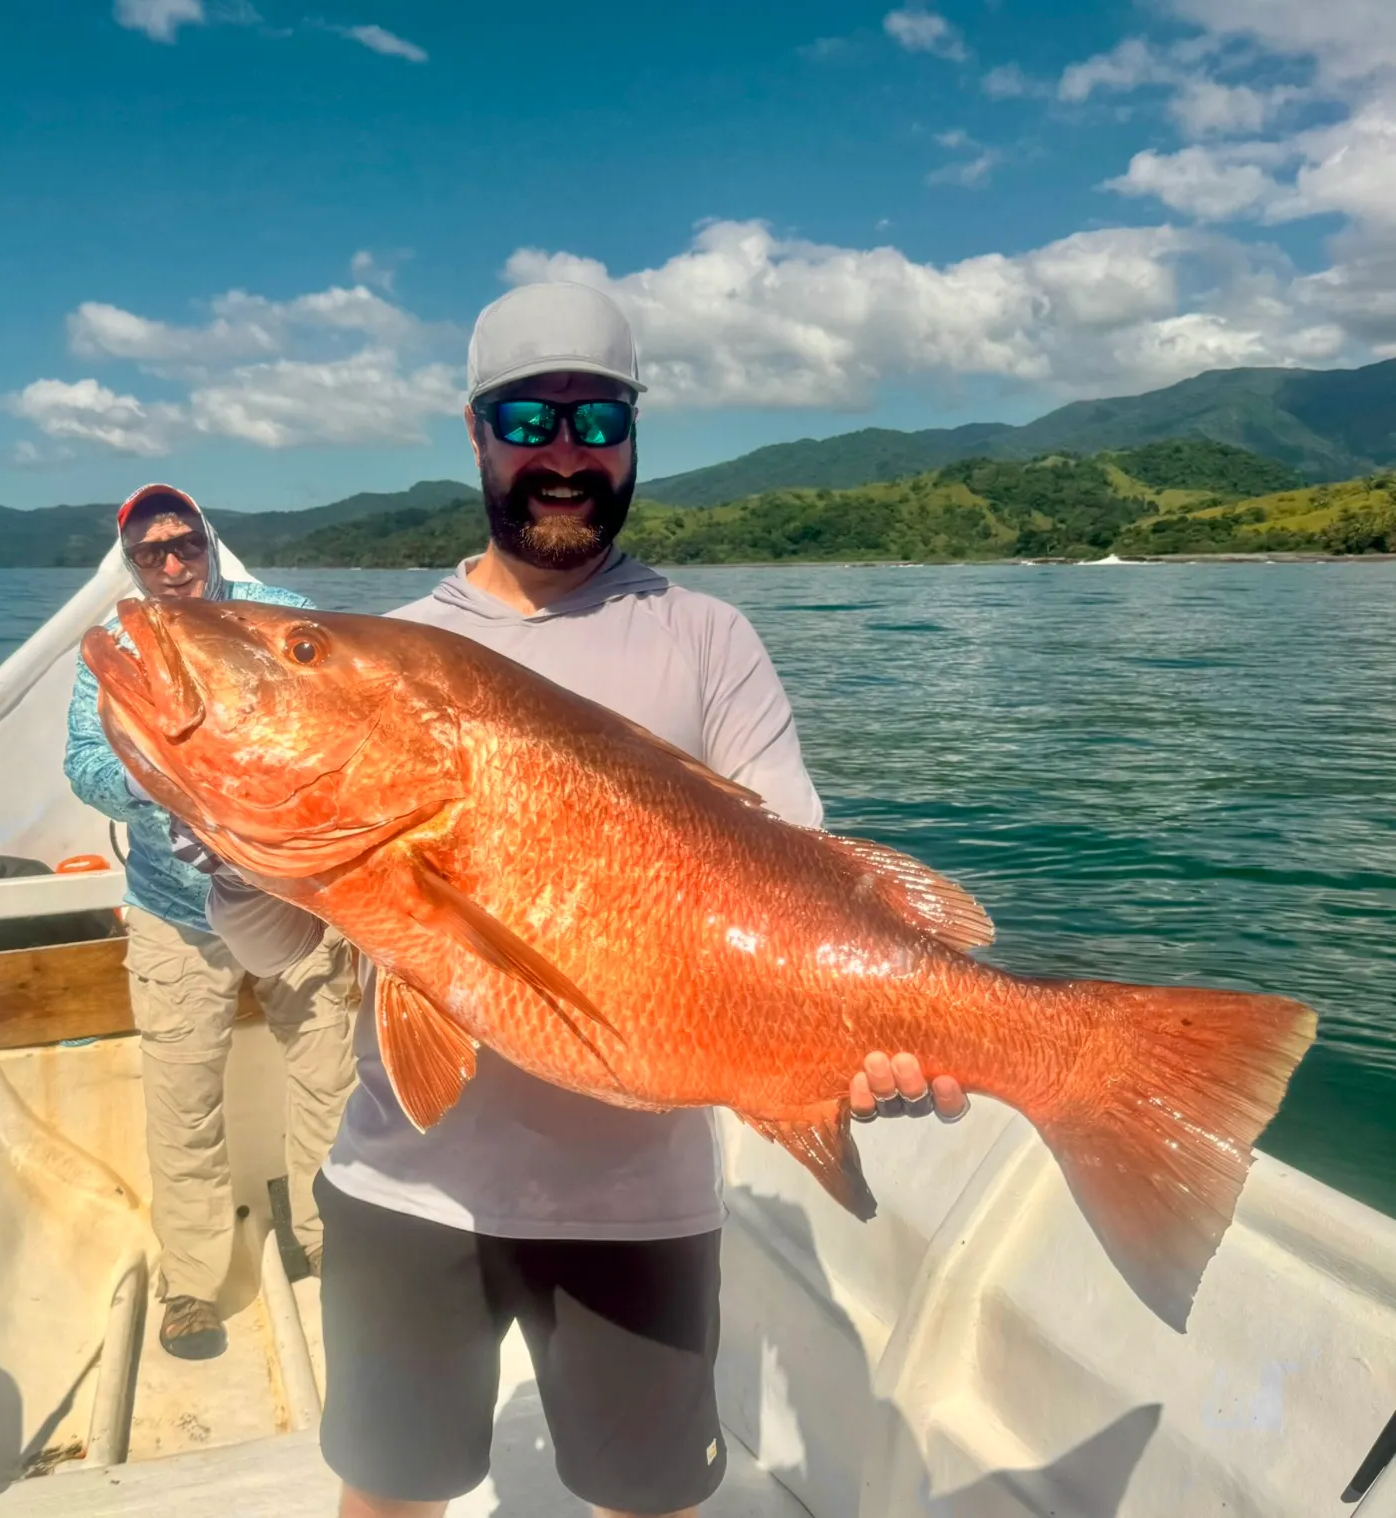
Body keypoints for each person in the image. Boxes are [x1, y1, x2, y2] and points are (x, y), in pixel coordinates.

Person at [197, 284, 969, 1517]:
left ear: (632, 434)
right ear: (475, 430)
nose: (564, 454)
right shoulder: (394, 650)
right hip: (408, 1183)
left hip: (641, 1204)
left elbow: (803, 874)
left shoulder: (707, 638)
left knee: (645, 1502)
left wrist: (871, 1032)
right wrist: (234, 830)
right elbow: (265, 935)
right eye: (528, 416)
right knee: (388, 1494)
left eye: (597, 420)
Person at [64, 484, 360, 1362]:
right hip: (173, 909)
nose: (171, 562)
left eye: (183, 542)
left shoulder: (286, 620)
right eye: (150, 551)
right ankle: (191, 1281)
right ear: (130, 560)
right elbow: (83, 763)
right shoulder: (112, 647)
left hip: (295, 895)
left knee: (328, 1074)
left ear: (208, 541)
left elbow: (344, 728)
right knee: (182, 1098)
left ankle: (328, 1236)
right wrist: (159, 780)